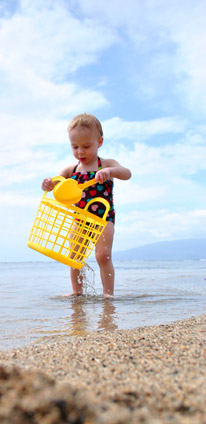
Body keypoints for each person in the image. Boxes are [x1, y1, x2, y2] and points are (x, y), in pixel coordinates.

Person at [42, 113, 131, 297]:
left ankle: (108, 294)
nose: (80, 152)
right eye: (75, 147)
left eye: (86, 146)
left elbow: (127, 173)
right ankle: (77, 293)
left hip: (103, 218)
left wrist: (110, 171)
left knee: (103, 256)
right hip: (79, 218)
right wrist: (48, 184)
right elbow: (55, 184)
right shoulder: (71, 170)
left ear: (99, 142)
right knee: (74, 257)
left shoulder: (105, 164)